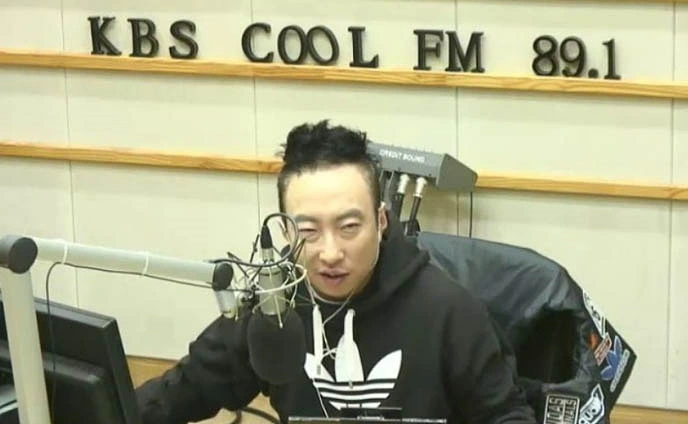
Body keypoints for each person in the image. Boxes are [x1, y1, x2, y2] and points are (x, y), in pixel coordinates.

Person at [136, 120, 537, 424]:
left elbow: (507, 416)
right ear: (285, 232)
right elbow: (182, 391)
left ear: (381, 221)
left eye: (349, 227)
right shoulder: (273, 308)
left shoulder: (449, 311)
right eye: (309, 231)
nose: (330, 253)